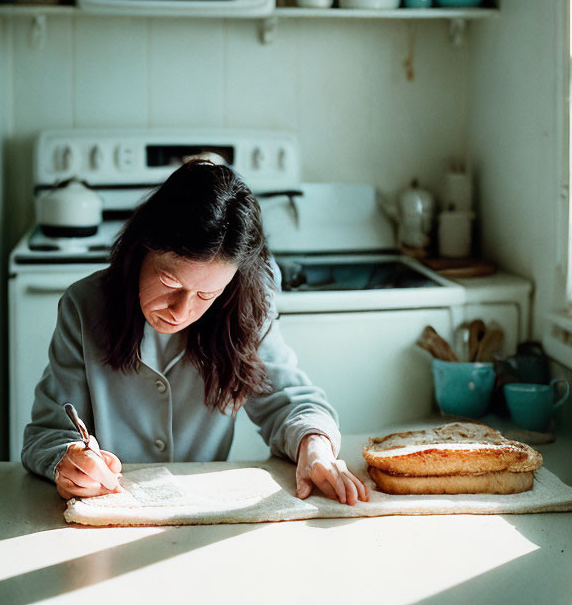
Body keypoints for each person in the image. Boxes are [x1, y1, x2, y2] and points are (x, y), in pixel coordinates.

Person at [22, 160, 369, 506]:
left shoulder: (243, 311)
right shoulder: (83, 306)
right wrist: (66, 460)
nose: (182, 311)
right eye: (170, 282)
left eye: (206, 295)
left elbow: (292, 402)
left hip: (202, 516)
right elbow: (47, 434)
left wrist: (315, 445)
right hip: (107, 513)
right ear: (140, 249)